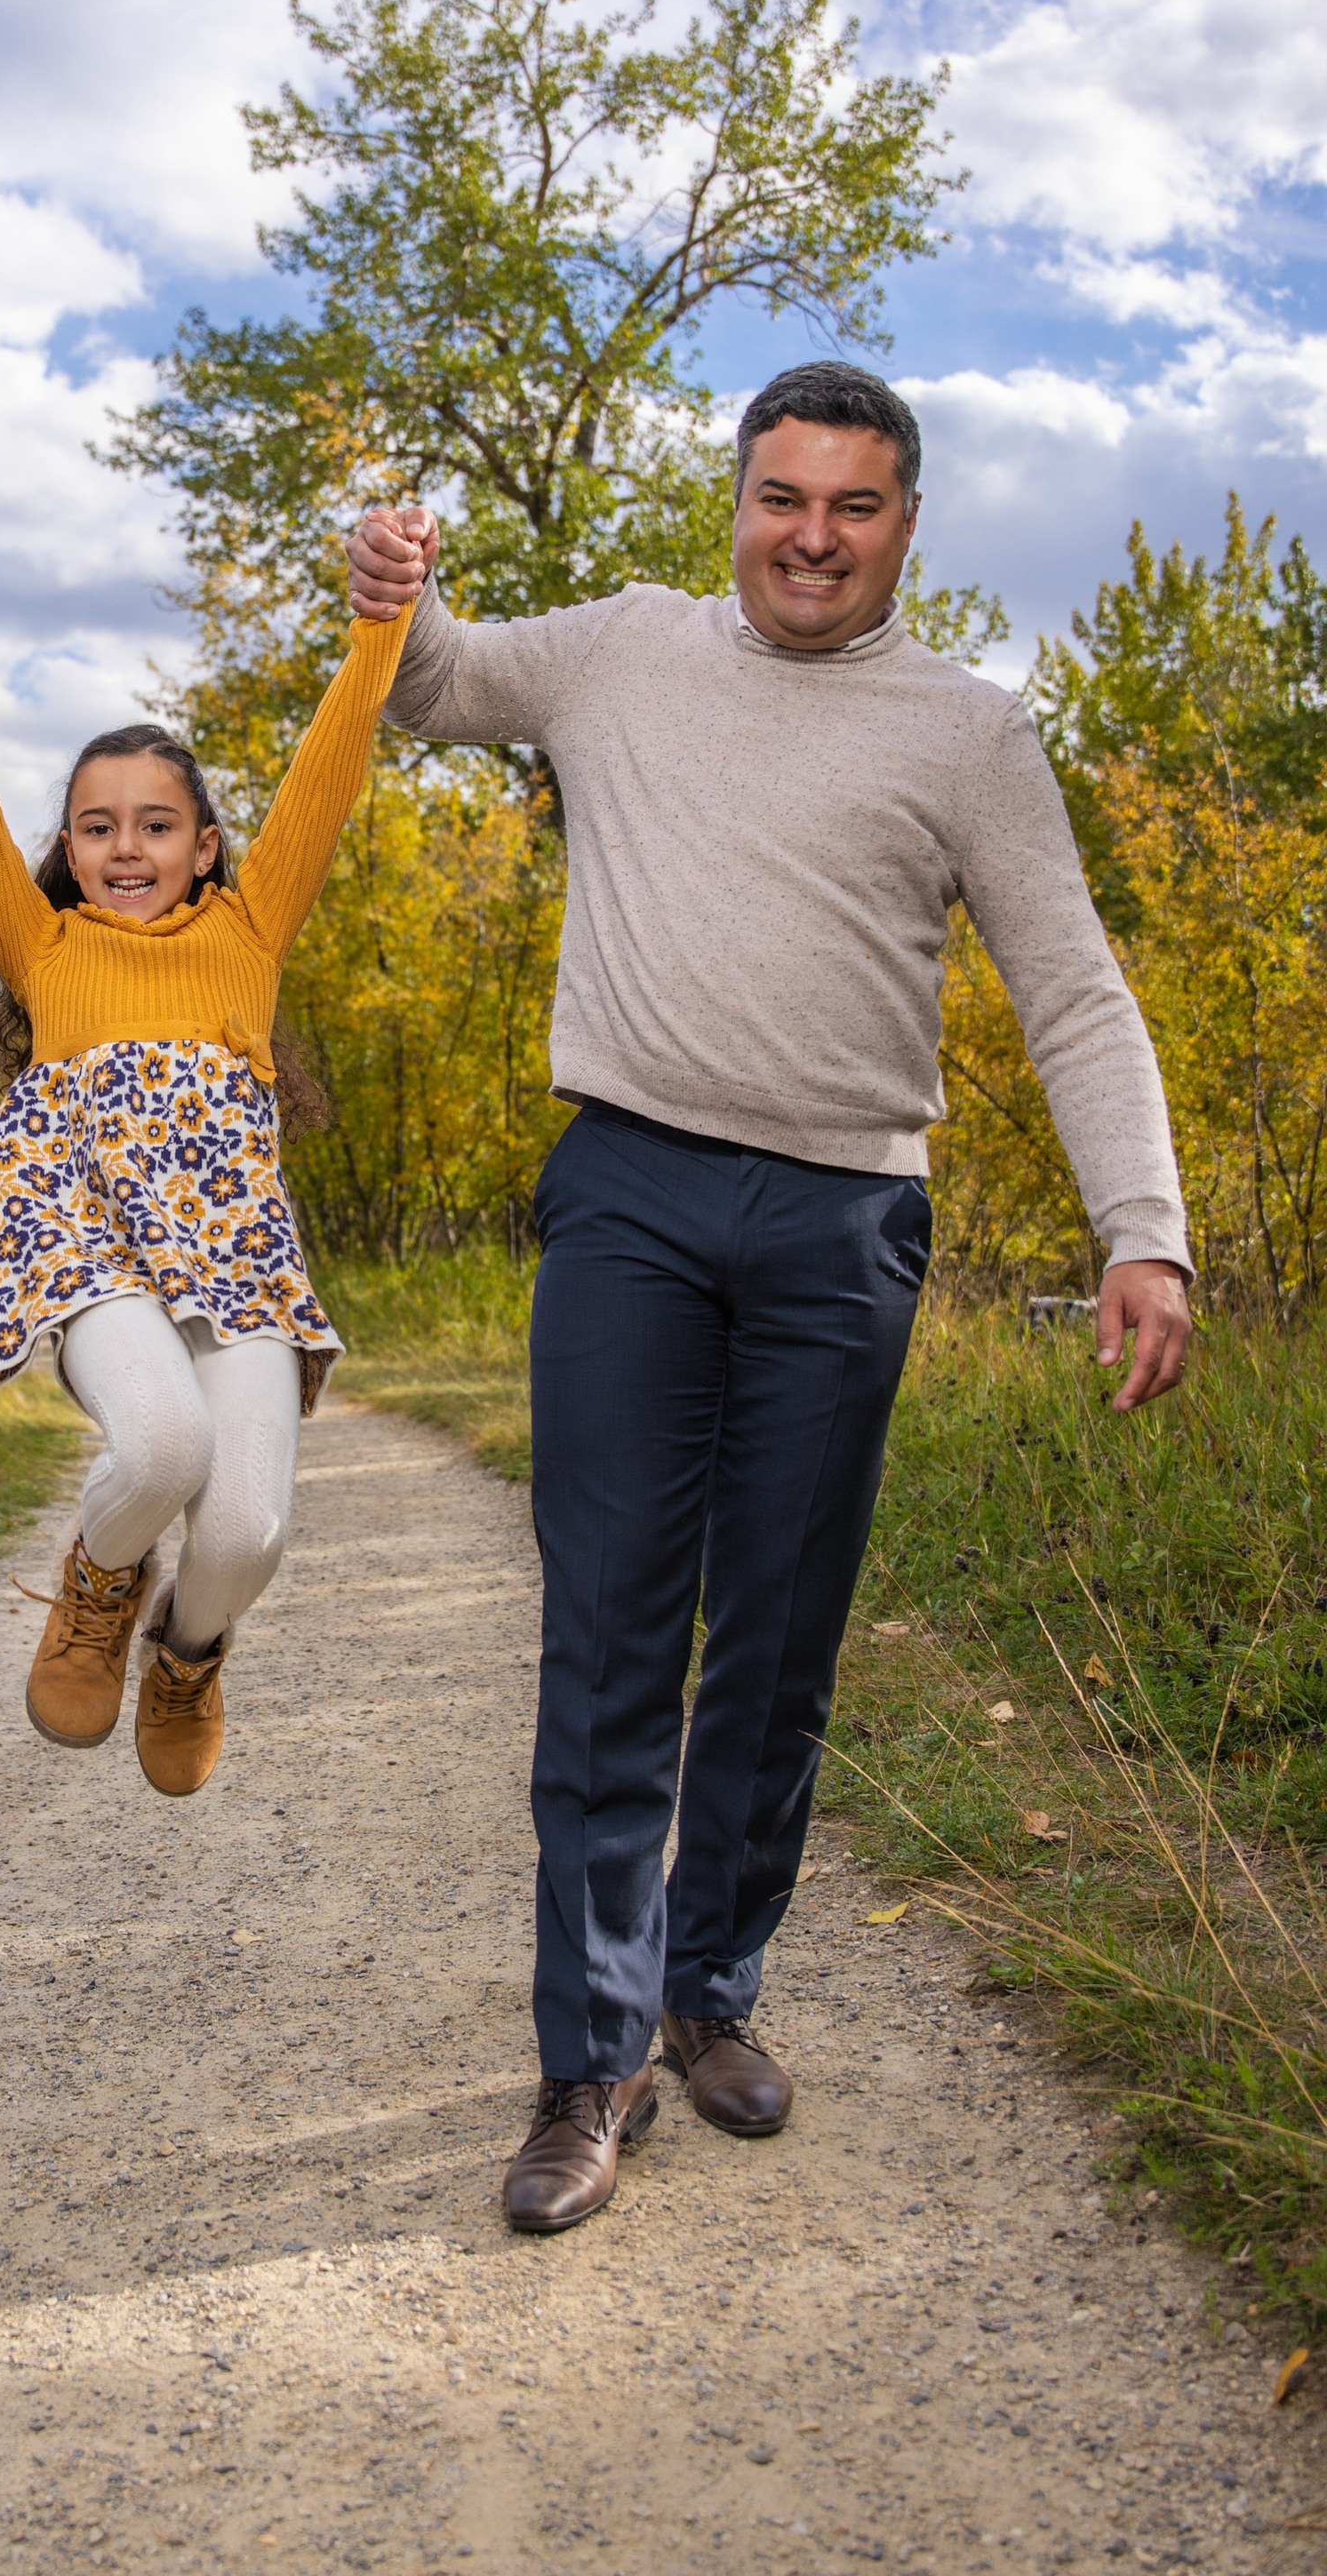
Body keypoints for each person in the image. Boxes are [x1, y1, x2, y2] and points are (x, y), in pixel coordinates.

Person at [349, 362, 1190, 2236]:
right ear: (732, 500)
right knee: (612, 1639)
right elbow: (430, 682)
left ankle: (706, 1987)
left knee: (779, 1644)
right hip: (631, 1196)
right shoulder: (621, 648)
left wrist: (1139, 1225)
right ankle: (589, 2059)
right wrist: (388, 580)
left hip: (842, 1222)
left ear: (906, 523)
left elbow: (1069, 985)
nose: (809, 535)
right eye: (779, 496)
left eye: (853, 505)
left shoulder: (967, 733)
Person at [0, 590, 410, 1794]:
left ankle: (188, 1648)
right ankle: (98, 1585)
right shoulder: (46, 947)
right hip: (86, 1252)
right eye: (96, 828)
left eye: (156, 825)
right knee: (166, 1445)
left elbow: (331, 762)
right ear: (67, 850)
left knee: (245, 1533)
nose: (125, 849)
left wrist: (384, 622)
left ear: (205, 845)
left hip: (234, 1264)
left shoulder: (251, 928)